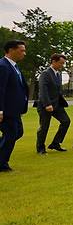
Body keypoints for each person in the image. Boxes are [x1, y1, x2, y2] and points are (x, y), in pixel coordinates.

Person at [0, 40, 28, 172]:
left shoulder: (14, 66)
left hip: (15, 110)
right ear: (11, 50)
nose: (24, 53)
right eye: (21, 50)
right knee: (11, 134)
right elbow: (1, 89)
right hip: (6, 110)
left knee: (17, 132)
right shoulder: (3, 66)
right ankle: (2, 164)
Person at [35, 53, 70, 153]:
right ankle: (40, 148)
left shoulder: (58, 74)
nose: (62, 65)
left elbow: (58, 91)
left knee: (66, 121)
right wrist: (47, 104)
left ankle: (55, 143)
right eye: (61, 63)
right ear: (53, 61)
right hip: (45, 105)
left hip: (57, 105)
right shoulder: (45, 73)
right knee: (44, 127)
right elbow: (43, 90)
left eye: (63, 63)